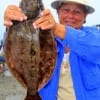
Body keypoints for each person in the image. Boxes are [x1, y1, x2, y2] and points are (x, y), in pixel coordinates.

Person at [3, 0, 100, 100]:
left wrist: (56, 28)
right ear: (58, 12)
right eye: (66, 10)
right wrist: (11, 25)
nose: (70, 16)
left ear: (85, 16)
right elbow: (17, 46)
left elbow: (96, 47)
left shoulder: (94, 36)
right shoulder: (45, 35)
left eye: (77, 12)